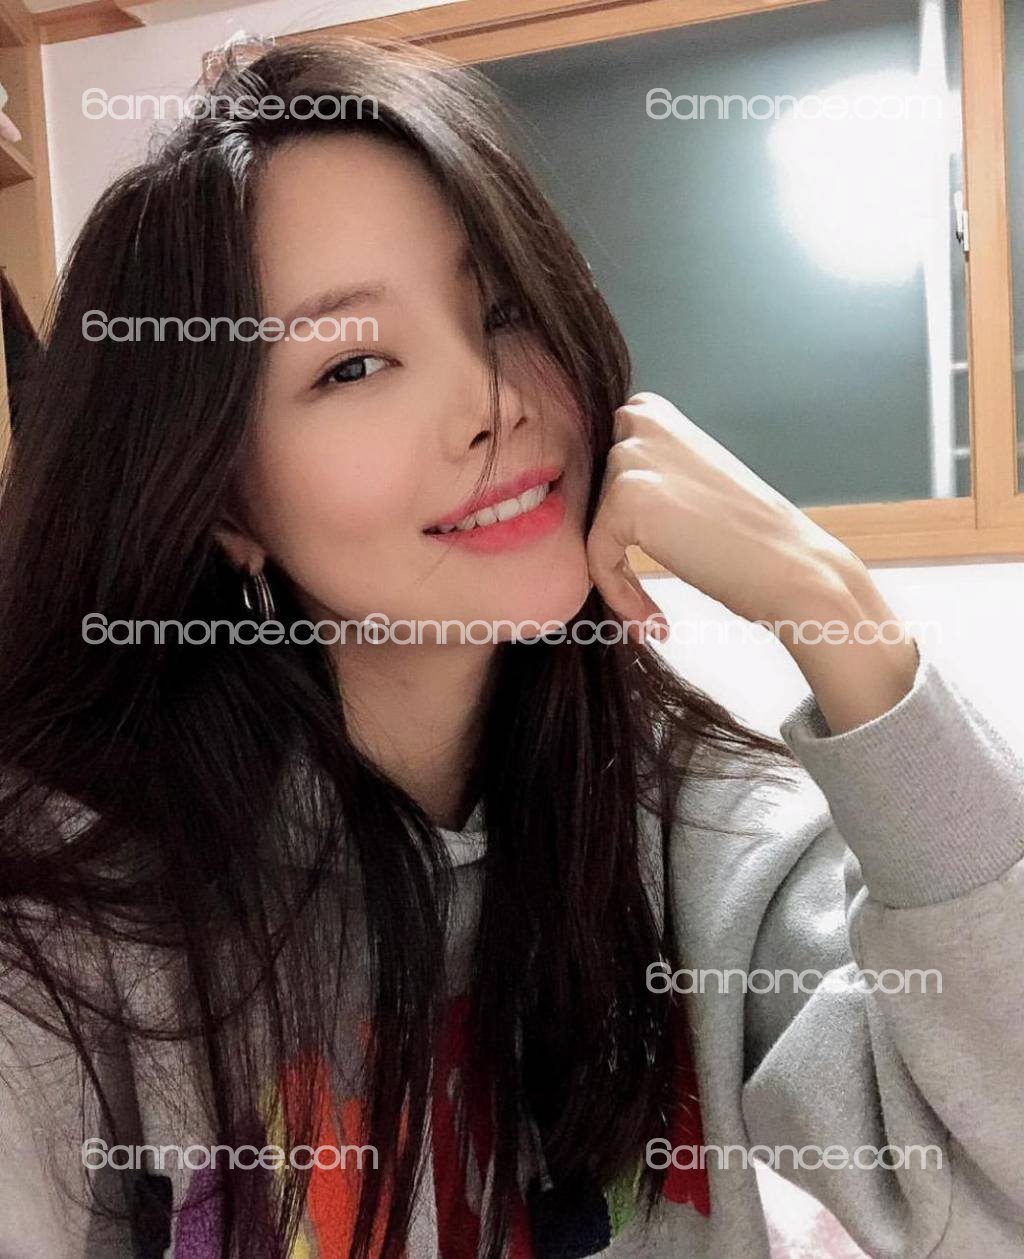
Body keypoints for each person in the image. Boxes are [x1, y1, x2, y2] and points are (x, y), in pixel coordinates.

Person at [0, 35, 1021, 1259]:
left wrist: (841, 617)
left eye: (503, 308)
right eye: (354, 362)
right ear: (224, 501)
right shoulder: (72, 923)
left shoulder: (697, 831)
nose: (492, 397)